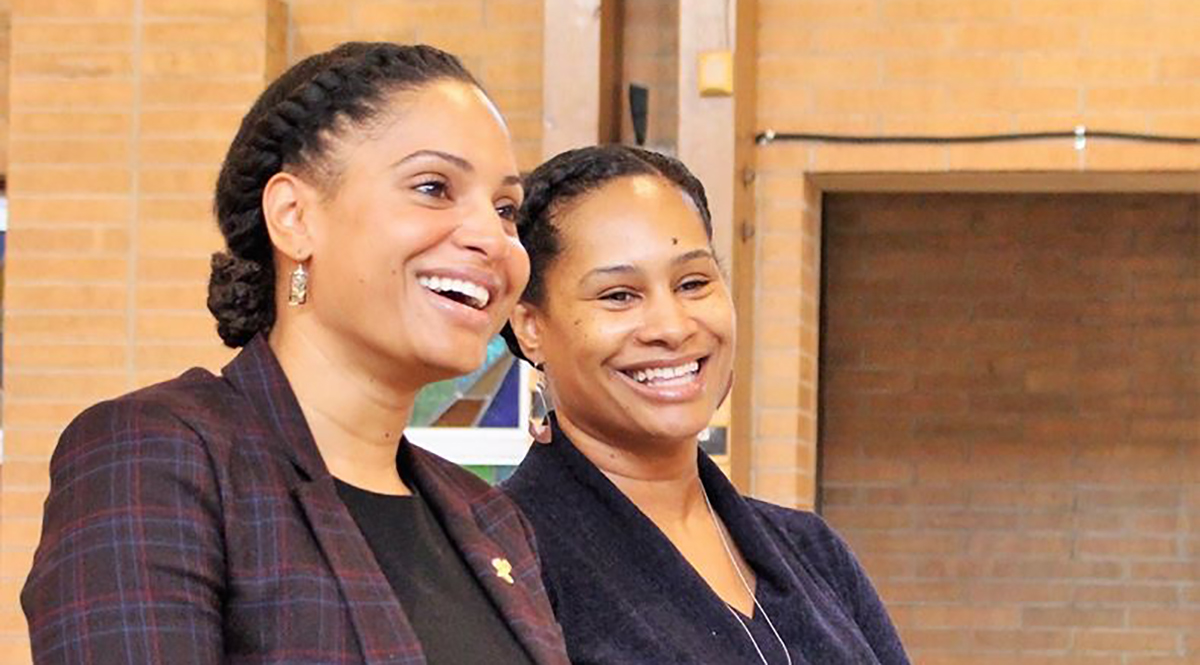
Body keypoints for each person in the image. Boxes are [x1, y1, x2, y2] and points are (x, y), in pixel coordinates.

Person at [23, 42, 568, 665]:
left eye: (505, 210)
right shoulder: (163, 455)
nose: (491, 239)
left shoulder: (493, 521)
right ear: (293, 216)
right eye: (433, 187)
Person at [500, 145, 910, 664]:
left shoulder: (812, 552)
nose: (672, 327)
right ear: (530, 326)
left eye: (693, 283)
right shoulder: (508, 560)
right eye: (619, 295)